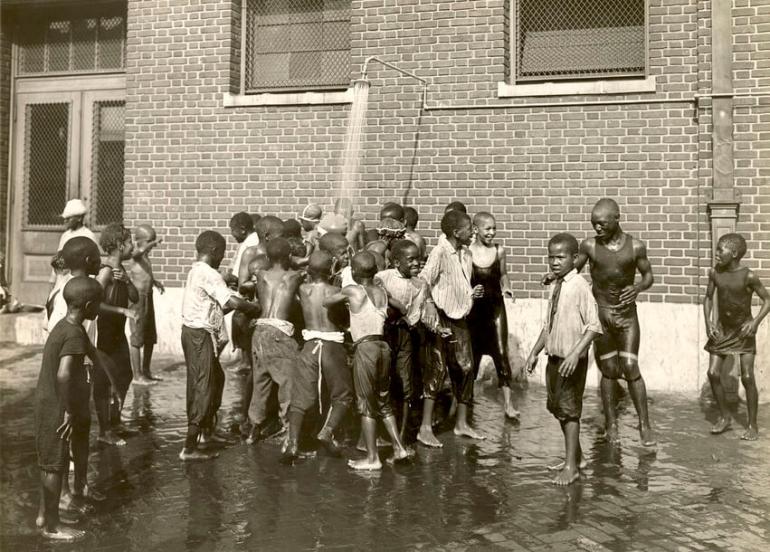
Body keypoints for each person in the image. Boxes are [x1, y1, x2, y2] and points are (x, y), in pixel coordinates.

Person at [545, 198, 656, 446]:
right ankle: (611, 425)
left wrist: (637, 288)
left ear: (617, 218)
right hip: (601, 315)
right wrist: (554, 273)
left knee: (629, 367)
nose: (597, 229)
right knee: (608, 371)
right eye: (594, 224)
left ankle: (644, 425)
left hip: (626, 316)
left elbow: (649, 276)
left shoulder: (636, 246)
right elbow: (573, 268)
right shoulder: (590, 246)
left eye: (602, 224)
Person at [525, 234, 602, 486]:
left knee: (569, 412)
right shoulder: (557, 285)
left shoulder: (579, 286)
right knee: (558, 408)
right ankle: (576, 458)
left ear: (575, 258)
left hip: (571, 361)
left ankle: (572, 467)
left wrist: (575, 353)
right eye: (551, 257)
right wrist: (534, 352)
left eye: (561, 257)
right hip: (555, 358)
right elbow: (548, 325)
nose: (555, 262)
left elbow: (593, 327)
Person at [323, 251, 411, 470]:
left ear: (353, 272)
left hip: (365, 348)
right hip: (384, 347)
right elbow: (401, 307)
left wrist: (335, 280)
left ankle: (372, 459)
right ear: (374, 272)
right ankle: (399, 449)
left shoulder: (353, 290)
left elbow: (326, 302)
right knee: (383, 401)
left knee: (365, 403)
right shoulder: (381, 291)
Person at [180, 231, 259, 461]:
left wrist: (225, 281)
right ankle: (189, 447)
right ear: (214, 251)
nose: (222, 258)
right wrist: (255, 308)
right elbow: (230, 302)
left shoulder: (199, 270)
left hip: (196, 332)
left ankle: (206, 432)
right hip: (199, 334)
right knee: (203, 385)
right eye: (222, 254)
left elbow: (216, 300)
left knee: (216, 378)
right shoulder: (209, 274)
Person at [35, 276, 102, 542]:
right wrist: (69, 410)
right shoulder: (74, 333)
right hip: (56, 406)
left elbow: (90, 352)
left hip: (46, 401)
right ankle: (52, 527)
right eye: (98, 303)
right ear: (88, 305)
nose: (100, 308)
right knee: (55, 465)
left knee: (50, 462)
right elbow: (63, 375)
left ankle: (44, 515)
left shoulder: (67, 326)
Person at [418, 210, 484, 447]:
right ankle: (425, 428)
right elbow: (425, 279)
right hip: (441, 318)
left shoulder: (466, 253)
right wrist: (428, 306)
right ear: (456, 232)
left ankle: (462, 423)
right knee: (437, 370)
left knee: (466, 368)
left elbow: (460, 282)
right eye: (469, 228)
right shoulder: (440, 252)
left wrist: (471, 293)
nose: (473, 231)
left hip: (460, 318)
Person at [282, 251, 353, 463]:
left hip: (310, 344)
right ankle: (327, 431)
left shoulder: (303, 290)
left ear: (310, 271)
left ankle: (292, 444)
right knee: (343, 395)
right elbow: (343, 318)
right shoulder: (336, 290)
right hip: (332, 345)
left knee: (300, 399)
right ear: (330, 270)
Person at [704, 233, 769, 440]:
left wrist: (754, 322)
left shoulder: (748, 276)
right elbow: (707, 298)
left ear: (733, 253)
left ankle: (752, 425)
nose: (716, 254)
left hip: (743, 330)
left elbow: (768, 300)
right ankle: (725, 417)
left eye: (720, 250)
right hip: (722, 329)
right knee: (713, 373)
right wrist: (709, 323)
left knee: (748, 376)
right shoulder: (715, 273)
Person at [248, 238, 305, 444]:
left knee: (260, 383)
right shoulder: (293, 277)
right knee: (288, 383)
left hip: (259, 330)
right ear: (288, 256)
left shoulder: (261, 275)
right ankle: (288, 431)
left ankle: (254, 428)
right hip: (279, 332)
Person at [376, 240, 430, 441]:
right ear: (397, 262)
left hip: (405, 334)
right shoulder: (382, 278)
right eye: (411, 259)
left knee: (405, 383)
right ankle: (378, 434)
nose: (417, 263)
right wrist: (394, 304)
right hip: (383, 334)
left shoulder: (420, 284)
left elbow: (413, 315)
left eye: (419, 258)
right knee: (382, 380)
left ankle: (402, 435)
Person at [468, 212, 520, 419]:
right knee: (472, 358)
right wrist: (469, 293)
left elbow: (503, 274)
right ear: (475, 229)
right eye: (487, 228)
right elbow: (463, 280)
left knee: (501, 354)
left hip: (495, 309)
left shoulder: (499, 251)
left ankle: (508, 404)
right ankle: (464, 401)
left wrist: (507, 288)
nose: (492, 232)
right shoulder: (467, 253)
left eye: (494, 228)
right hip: (474, 313)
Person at [95, 223, 139, 446]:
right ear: (121, 245)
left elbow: (135, 297)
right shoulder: (105, 272)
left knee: (125, 375)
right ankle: (105, 431)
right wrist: (121, 310)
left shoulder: (122, 272)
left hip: (117, 334)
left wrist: (127, 280)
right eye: (131, 241)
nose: (133, 246)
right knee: (107, 382)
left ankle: (116, 421)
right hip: (104, 336)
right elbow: (93, 304)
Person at [127, 225, 164, 385]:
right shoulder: (135, 253)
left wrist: (155, 282)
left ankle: (146, 370)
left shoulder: (145, 256)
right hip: (138, 300)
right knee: (137, 337)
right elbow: (137, 253)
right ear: (139, 241)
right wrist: (150, 244)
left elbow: (146, 273)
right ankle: (137, 375)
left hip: (148, 296)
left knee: (149, 336)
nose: (152, 245)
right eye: (149, 241)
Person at [51, 199, 98, 291]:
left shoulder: (88, 235)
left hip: (80, 281)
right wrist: (53, 280)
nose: (65, 221)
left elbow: (93, 262)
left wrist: (89, 283)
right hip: (63, 279)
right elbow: (58, 259)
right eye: (65, 219)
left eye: (69, 218)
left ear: (79, 218)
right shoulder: (65, 235)